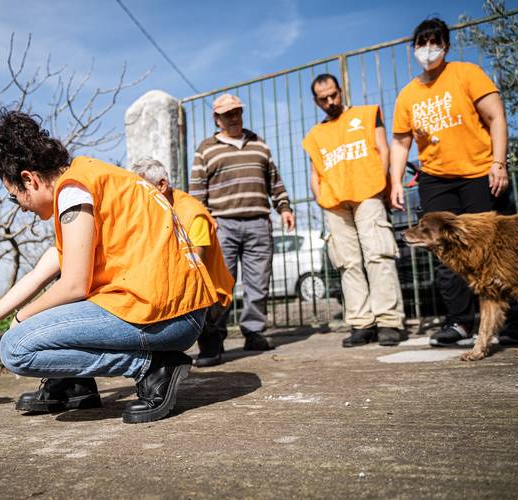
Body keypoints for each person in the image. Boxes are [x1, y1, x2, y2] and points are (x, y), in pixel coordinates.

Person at [0, 111, 217, 424]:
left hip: (167, 316)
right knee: (42, 316)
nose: (21, 208)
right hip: (181, 310)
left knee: (16, 348)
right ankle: (73, 382)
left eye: (15, 198)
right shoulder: (88, 176)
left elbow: (75, 285)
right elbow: (42, 273)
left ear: (29, 179)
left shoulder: (73, 189)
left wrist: (21, 319)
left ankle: (152, 367)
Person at [390, 17, 518, 347]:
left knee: (497, 249)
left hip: (480, 173)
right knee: (443, 250)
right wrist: (395, 181)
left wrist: (498, 163)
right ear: (414, 48)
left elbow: (496, 117)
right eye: (421, 43)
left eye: (434, 42)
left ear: (446, 47)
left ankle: (515, 322)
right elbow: (400, 142)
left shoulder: (467, 74)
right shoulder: (408, 94)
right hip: (437, 179)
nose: (427, 49)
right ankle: (460, 322)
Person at [302, 74, 405, 347]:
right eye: (323, 99)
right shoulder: (315, 135)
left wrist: (382, 186)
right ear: (316, 101)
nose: (330, 101)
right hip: (335, 203)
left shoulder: (368, 114)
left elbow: (384, 149)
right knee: (348, 264)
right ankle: (361, 323)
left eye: (333, 95)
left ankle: (388, 321)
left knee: (378, 254)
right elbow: (315, 171)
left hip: (368, 194)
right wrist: (320, 196)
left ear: (341, 91)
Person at [190, 93, 295, 352]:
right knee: (220, 284)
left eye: (237, 112)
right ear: (217, 119)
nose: (234, 118)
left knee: (258, 282)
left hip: (259, 221)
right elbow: (196, 192)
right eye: (228, 114)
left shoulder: (259, 143)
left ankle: (254, 332)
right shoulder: (205, 148)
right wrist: (203, 222)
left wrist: (284, 207)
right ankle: (213, 338)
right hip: (222, 225)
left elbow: (274, 179)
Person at [130, 158, 235, 367]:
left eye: (143, 190)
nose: (139, 198)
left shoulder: (192, 212)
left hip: (209, 285)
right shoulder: (152, 211)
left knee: (192, 298)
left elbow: (196, 264)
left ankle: (211, 342)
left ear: (162, 185)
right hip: (177, 276)